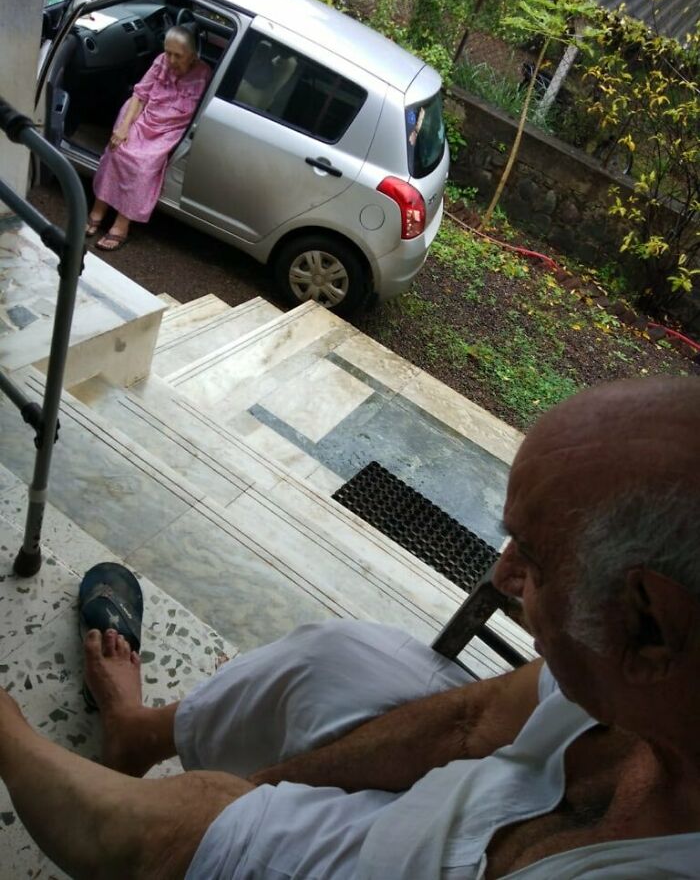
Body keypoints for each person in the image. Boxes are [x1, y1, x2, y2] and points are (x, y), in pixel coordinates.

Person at [1, 375, 700, 878]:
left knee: (170, 835)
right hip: (438, 810)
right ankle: (141, 732)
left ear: (650, 625)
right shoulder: (631, 676)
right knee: (331, 656)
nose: (501, 578)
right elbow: (470, 719)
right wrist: (270, 789)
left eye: (535, 561)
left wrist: (232, 827)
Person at [86, 25, 211, 252]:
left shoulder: (203, 73)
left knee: (142, 166)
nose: (170, 60)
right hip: (145, 115)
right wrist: (125, 127)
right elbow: (140, 94)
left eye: (178, 55)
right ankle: (98, 210)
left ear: (192, 56)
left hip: (170, 128)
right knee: (118, 149)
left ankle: (121, 224)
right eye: (168, 53)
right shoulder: (161, 60)